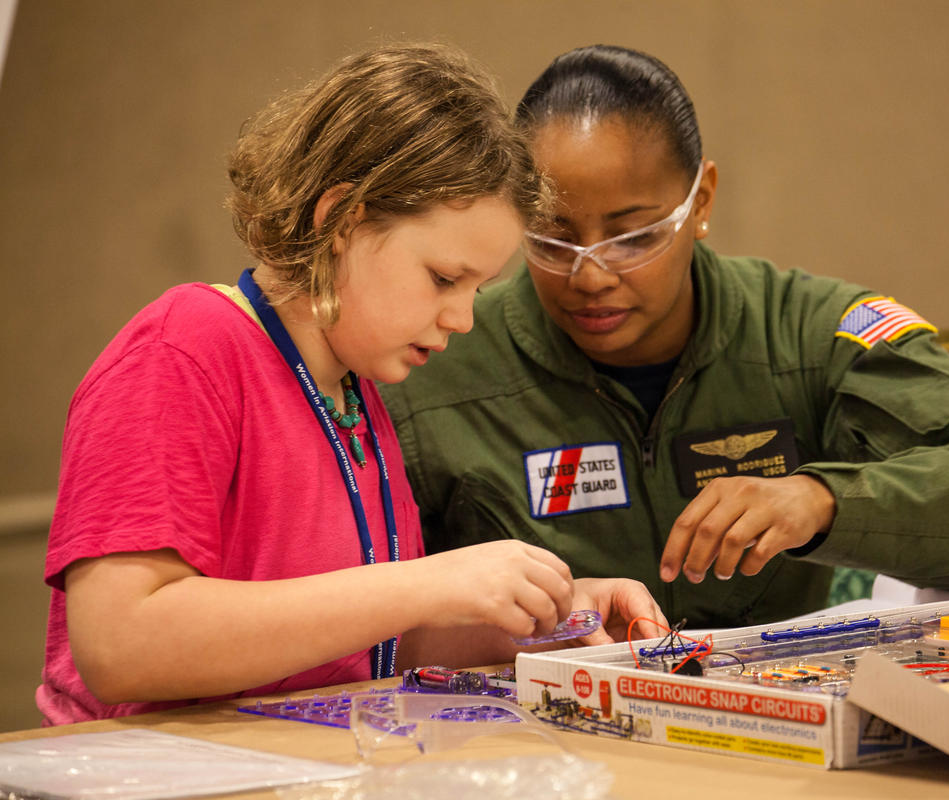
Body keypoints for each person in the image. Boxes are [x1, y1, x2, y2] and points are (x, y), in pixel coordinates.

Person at [38, 43, 665, 726]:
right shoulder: (183, 349)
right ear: (340, 219)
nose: (461, 319)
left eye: (478, 289)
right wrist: (424, 582)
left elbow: (362, 647)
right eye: (443, 278)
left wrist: (544, 620)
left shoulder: (353, 391)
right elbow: (122, 643)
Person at [381, 44, 949, 629]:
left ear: (700, 202)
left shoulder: (809, 335)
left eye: (634, 236)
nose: (591, 276)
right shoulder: (436, 362)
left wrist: (823, 502)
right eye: (553, 240)